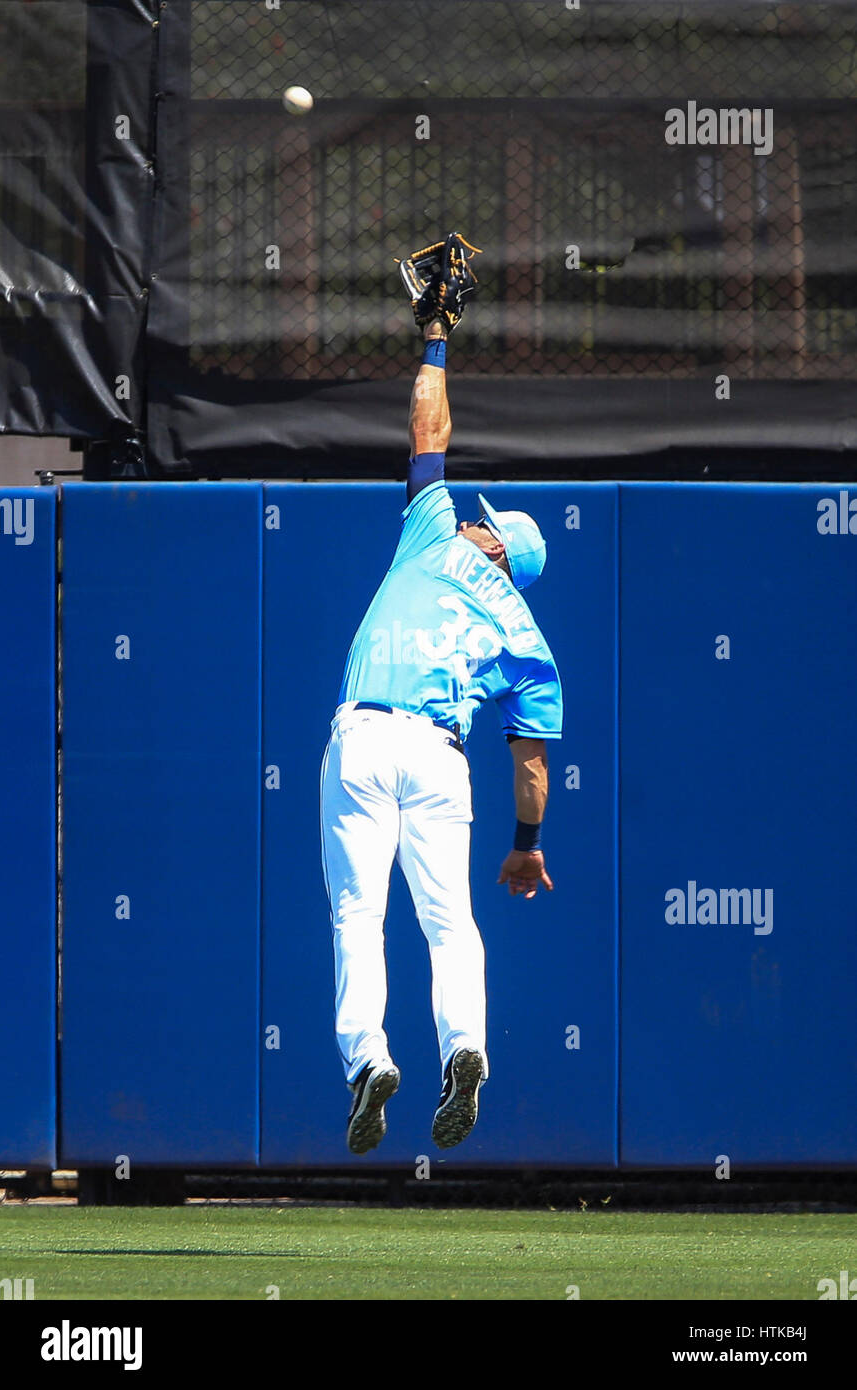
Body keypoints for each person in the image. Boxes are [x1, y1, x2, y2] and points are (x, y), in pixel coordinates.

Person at [319, 234, 563, 1155]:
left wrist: (433, 337)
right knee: (450, 923)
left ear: (494, 542)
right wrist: (527, 846)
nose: (478, 520)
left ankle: (368, 1060)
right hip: (443, 758)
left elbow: (429, 430)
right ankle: (465, 1045)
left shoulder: (433, 532)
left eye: (489, 524)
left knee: (356, 915)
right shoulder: (524, 633)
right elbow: (531, 761)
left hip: (367, 738)